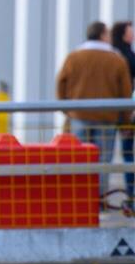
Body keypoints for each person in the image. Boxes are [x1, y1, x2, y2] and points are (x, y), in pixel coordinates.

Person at [56, 21, 133, 197]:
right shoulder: (116, 59)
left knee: (78, 159)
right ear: (103, 35)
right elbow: (125, 91)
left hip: (79, 115)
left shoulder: (73, 57)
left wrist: (67, 109)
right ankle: (99, 199)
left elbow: (61, 84)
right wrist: (125, 119)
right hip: (107, 117)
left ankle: (78, 198)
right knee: (103, 161)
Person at [110, 20, 135, 210]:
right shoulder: (123, 56)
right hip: (126, 111)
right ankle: (131, 195)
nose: (132, 33)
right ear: (123, 34)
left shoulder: (113, 54)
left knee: (113, 155)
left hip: (114, 111)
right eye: (130, 31)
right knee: (127, 154)